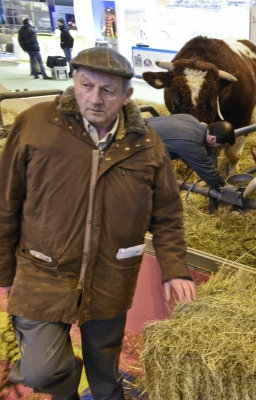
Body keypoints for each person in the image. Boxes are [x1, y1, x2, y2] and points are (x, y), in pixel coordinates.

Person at [0, 47, 196, 400]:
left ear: (127, 96)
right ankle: (66, 380)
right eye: (85, 84)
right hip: (43, 270)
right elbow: (5, 203)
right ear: (73, 82)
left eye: (107, 90)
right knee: (41, 370)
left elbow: (167, 212)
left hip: (111, 273)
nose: (94, 98)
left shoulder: (147, 144)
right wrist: (2, 275)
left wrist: (175, 269)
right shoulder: (36, 126)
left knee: (105, 373)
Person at [146, 114, 235, 192]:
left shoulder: (190, 118)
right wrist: (226, 188)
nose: (220, 149)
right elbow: (209, 172)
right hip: (137, 146)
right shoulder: (193, 143)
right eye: (220, 146)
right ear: (212, 139)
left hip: (142, 127)